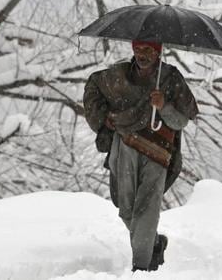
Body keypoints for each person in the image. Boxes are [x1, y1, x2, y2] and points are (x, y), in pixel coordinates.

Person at [83, 40, 199, 271]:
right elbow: (93, 88)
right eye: (138, 49)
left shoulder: (170, 78)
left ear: (158, 52)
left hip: (157, 151)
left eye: (148, 50)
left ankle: (142, 268)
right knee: (126, 209)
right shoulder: (118, 76)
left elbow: (181, 120)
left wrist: (163, 105)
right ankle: (154, 243)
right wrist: (104, 117)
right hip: (124, 146)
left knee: (147, 207)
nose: (142, 54)